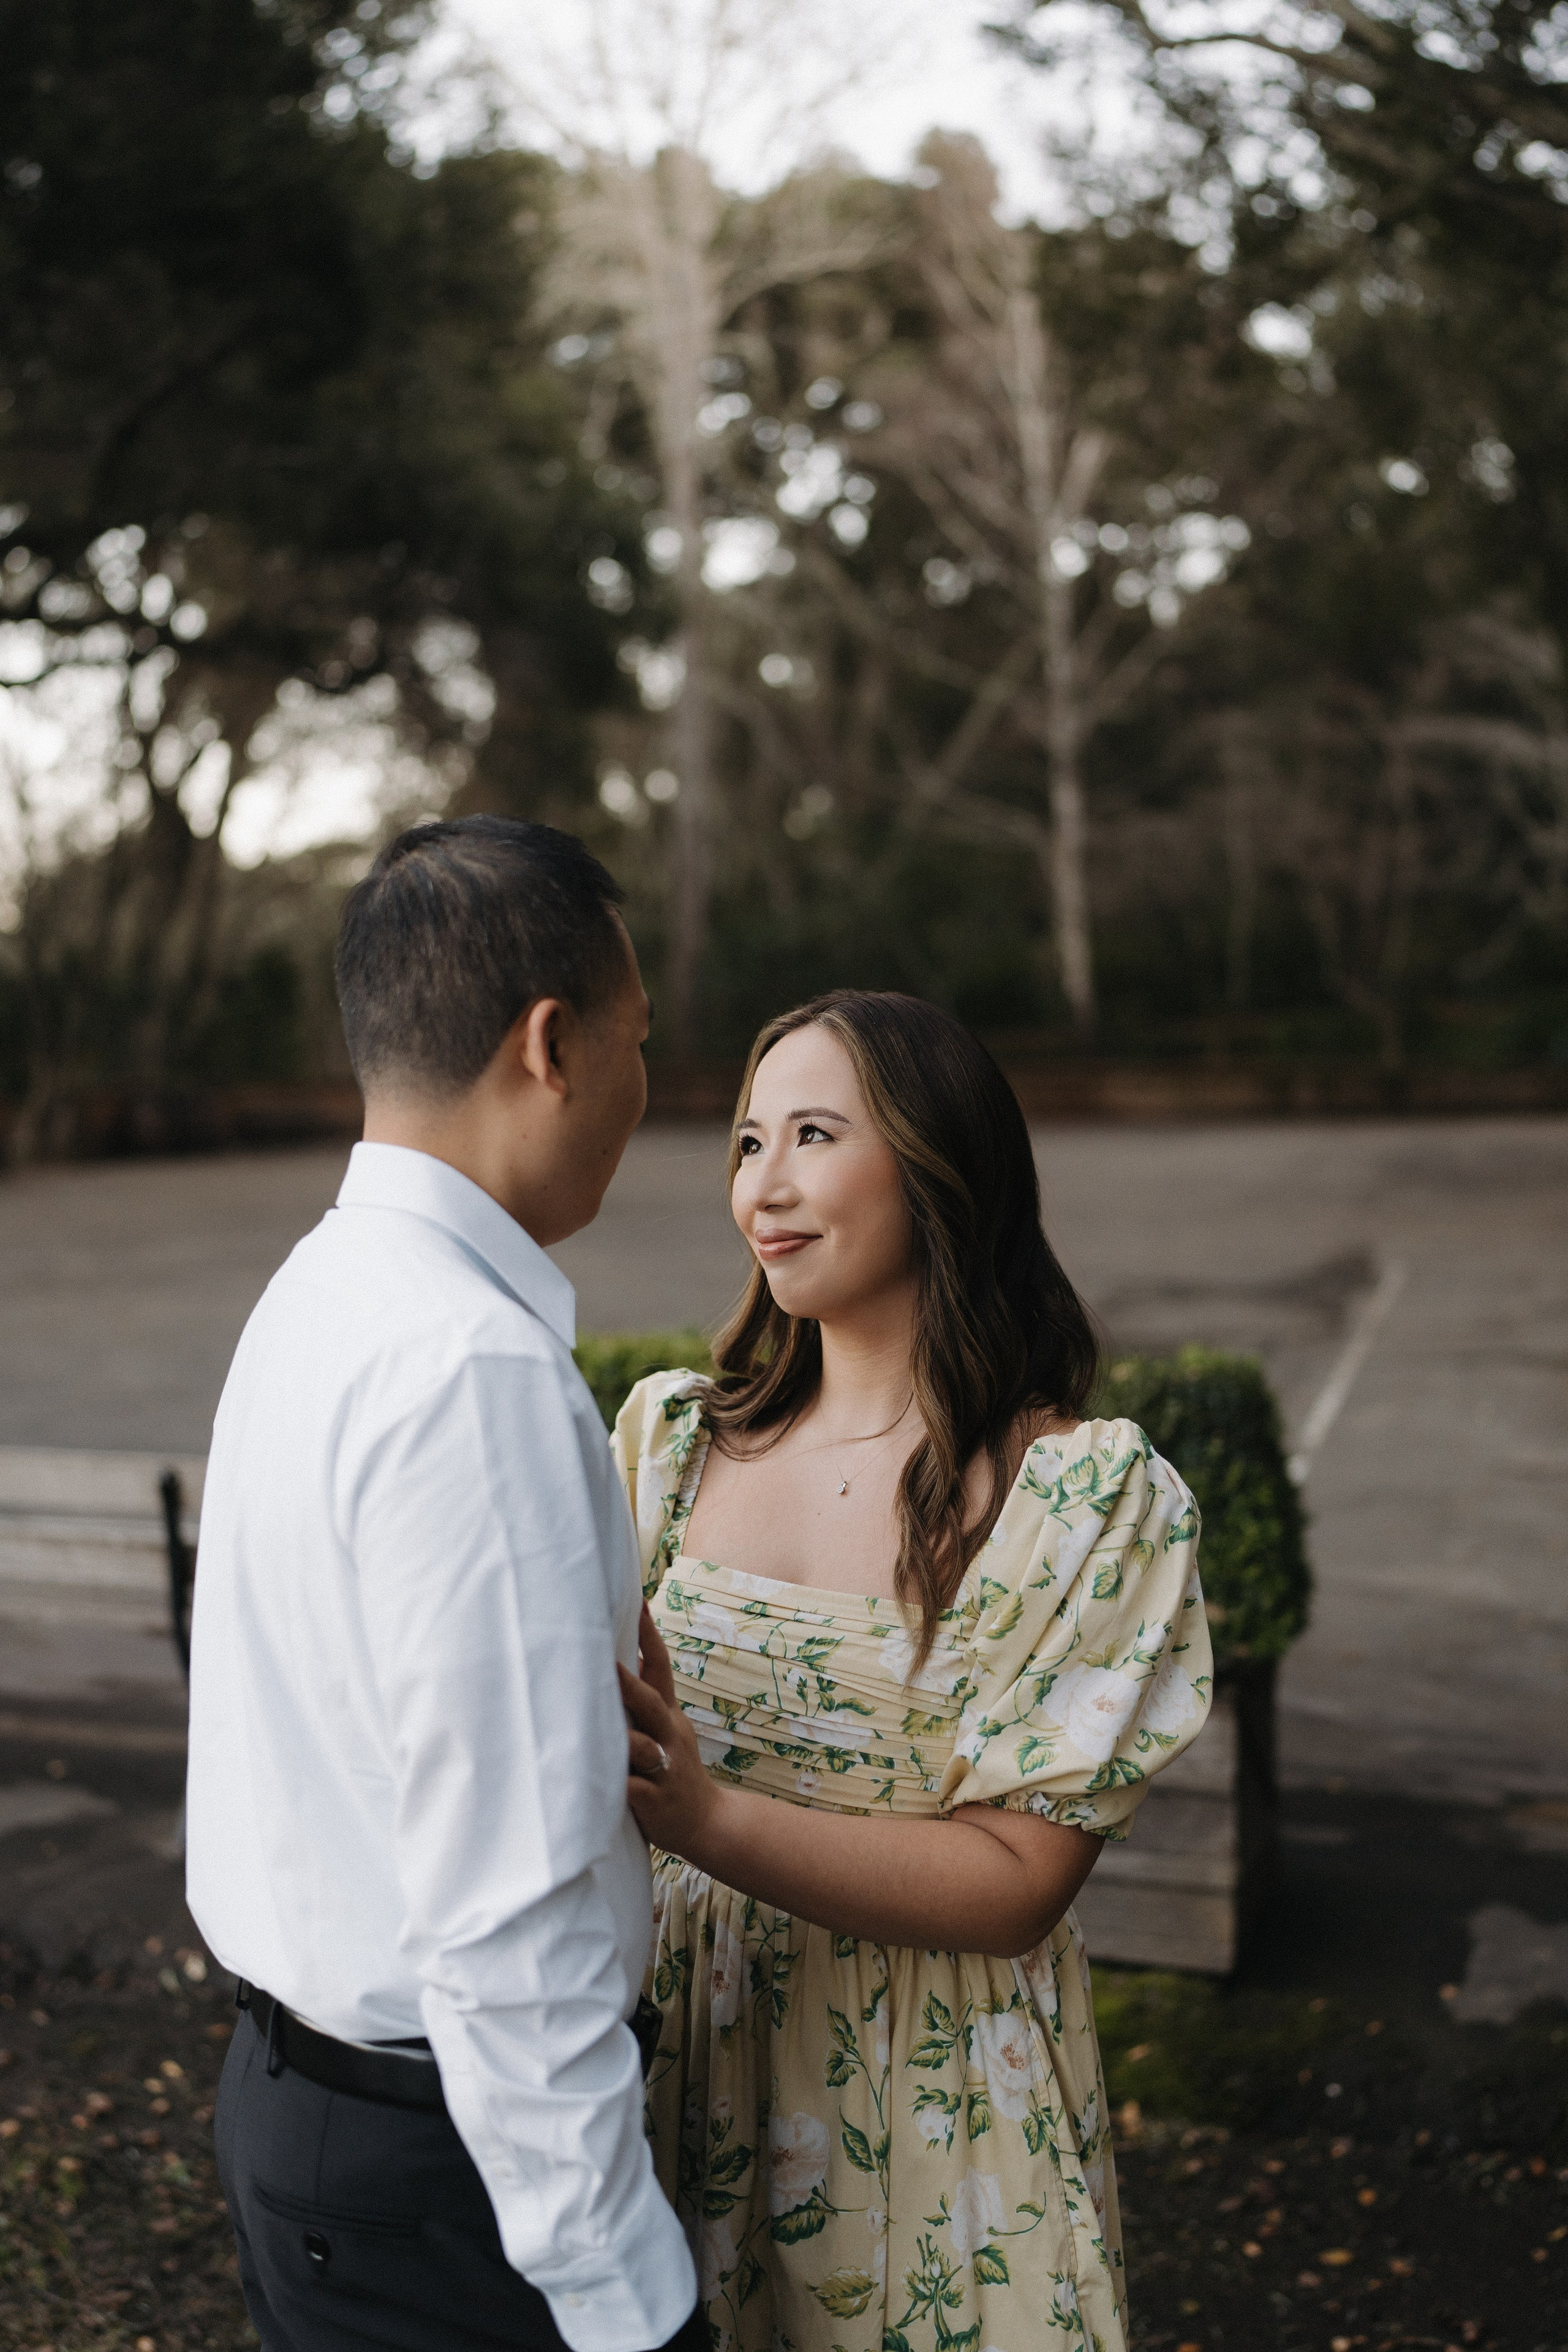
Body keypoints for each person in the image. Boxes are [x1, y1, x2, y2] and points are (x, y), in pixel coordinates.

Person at [614, 990, 1212, 2352]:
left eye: (812, 1135)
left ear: (940, 1168)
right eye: (746, 1142)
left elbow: (1014, 1886)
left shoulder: (1081, 1498)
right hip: (670, 2069)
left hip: (935, 2119)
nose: (762, 1188)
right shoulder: (665, 1447)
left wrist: (705, 1820)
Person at [186, 816, 706, 2352]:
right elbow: (510, 1924)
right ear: (551, 1045)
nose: (641, 1088)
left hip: (308, 2113)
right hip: (440, 2176)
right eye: (638, 1042)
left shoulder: (319, 1293)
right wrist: (633, 2307)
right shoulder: (466, 1365)